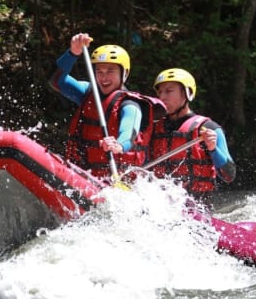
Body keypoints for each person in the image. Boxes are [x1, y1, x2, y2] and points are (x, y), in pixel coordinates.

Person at [48, 33, 165, 179]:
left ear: (125, 73)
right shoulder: (87, 92)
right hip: (81, 173)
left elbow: (130, 134)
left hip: (115, 180)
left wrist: (119, 145)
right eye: (99, 71)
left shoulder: (131, 105)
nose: (104, 78)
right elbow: (56, 79)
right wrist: (72, 53)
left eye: (110, 71)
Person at [150, 68, 236, 203]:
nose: (162, 97)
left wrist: (213, 148)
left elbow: (229, 175)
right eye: (160, 92)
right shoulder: (154, 128)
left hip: (197, 207)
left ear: (186, 93)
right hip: (161, 207)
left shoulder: (209, 128)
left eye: (169, 91)